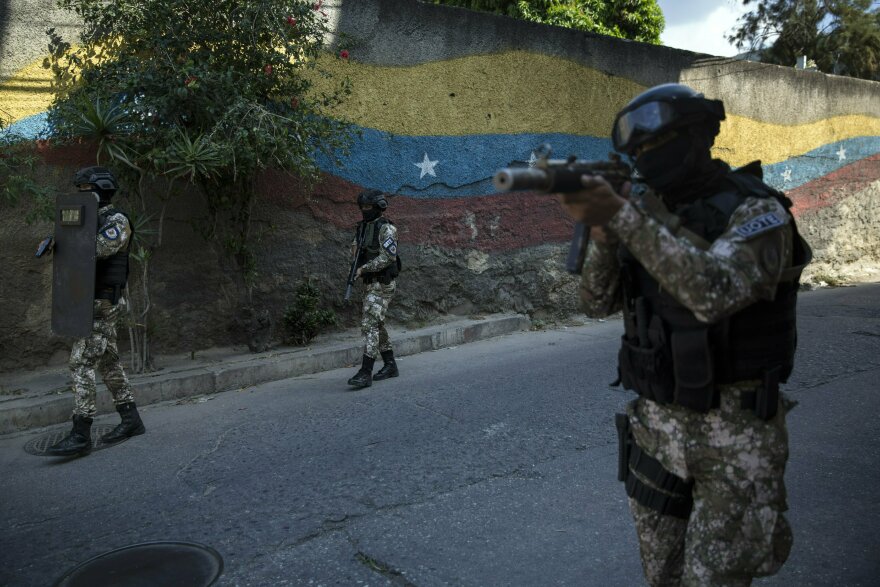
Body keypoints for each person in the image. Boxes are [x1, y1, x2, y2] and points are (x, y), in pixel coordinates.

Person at [558, 84, 811, 586]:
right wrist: (606, 238)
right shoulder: (646, 212)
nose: (647, 160)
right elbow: (594, 302)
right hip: (656, 433)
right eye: (638, 153)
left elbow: (713, 294)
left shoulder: (757, 211)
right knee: (663, 577)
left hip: (734, 438)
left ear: (698, 137)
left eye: (656, 145)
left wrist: (623, 217)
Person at [47, 166, 146, 456]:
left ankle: (81, 433)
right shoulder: (93, 219)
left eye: (85, 191)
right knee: (109, 362)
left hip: (103, 302)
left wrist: (67, 239)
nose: (81, 196)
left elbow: (97, 248)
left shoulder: (117, 221)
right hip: (89, 300)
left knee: (81, 362)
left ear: (100, 192)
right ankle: (131, 420)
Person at [347, 189, 401, 389]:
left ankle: (365, 372)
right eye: (362, 207)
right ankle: (390, 364)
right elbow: (355, 249)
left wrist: (363, 268)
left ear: (380, 207)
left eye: (368, 207)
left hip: (383, 283)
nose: (364, 210)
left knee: (369, 324)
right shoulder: (363, 227)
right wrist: (355, 252)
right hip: (370, 283)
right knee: (377, 324)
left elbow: (388, 257)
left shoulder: (387, 229)